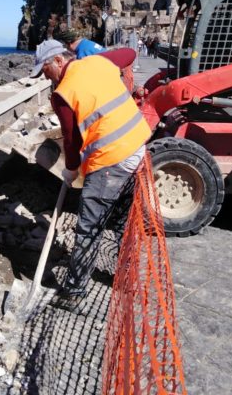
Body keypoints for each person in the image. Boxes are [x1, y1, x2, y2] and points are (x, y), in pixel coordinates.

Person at [30, 39, 151, 312]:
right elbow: (130, 53)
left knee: (89, 227)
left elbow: (71, 142)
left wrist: (71, 170)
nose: (45, 77)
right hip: (137, 146)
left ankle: (74, 292)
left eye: (45, 70)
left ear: (59, 61)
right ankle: (127, 278)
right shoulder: (99, 62)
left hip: (111, 159)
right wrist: (99, 56)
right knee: (122, 219)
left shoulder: (62, 94)